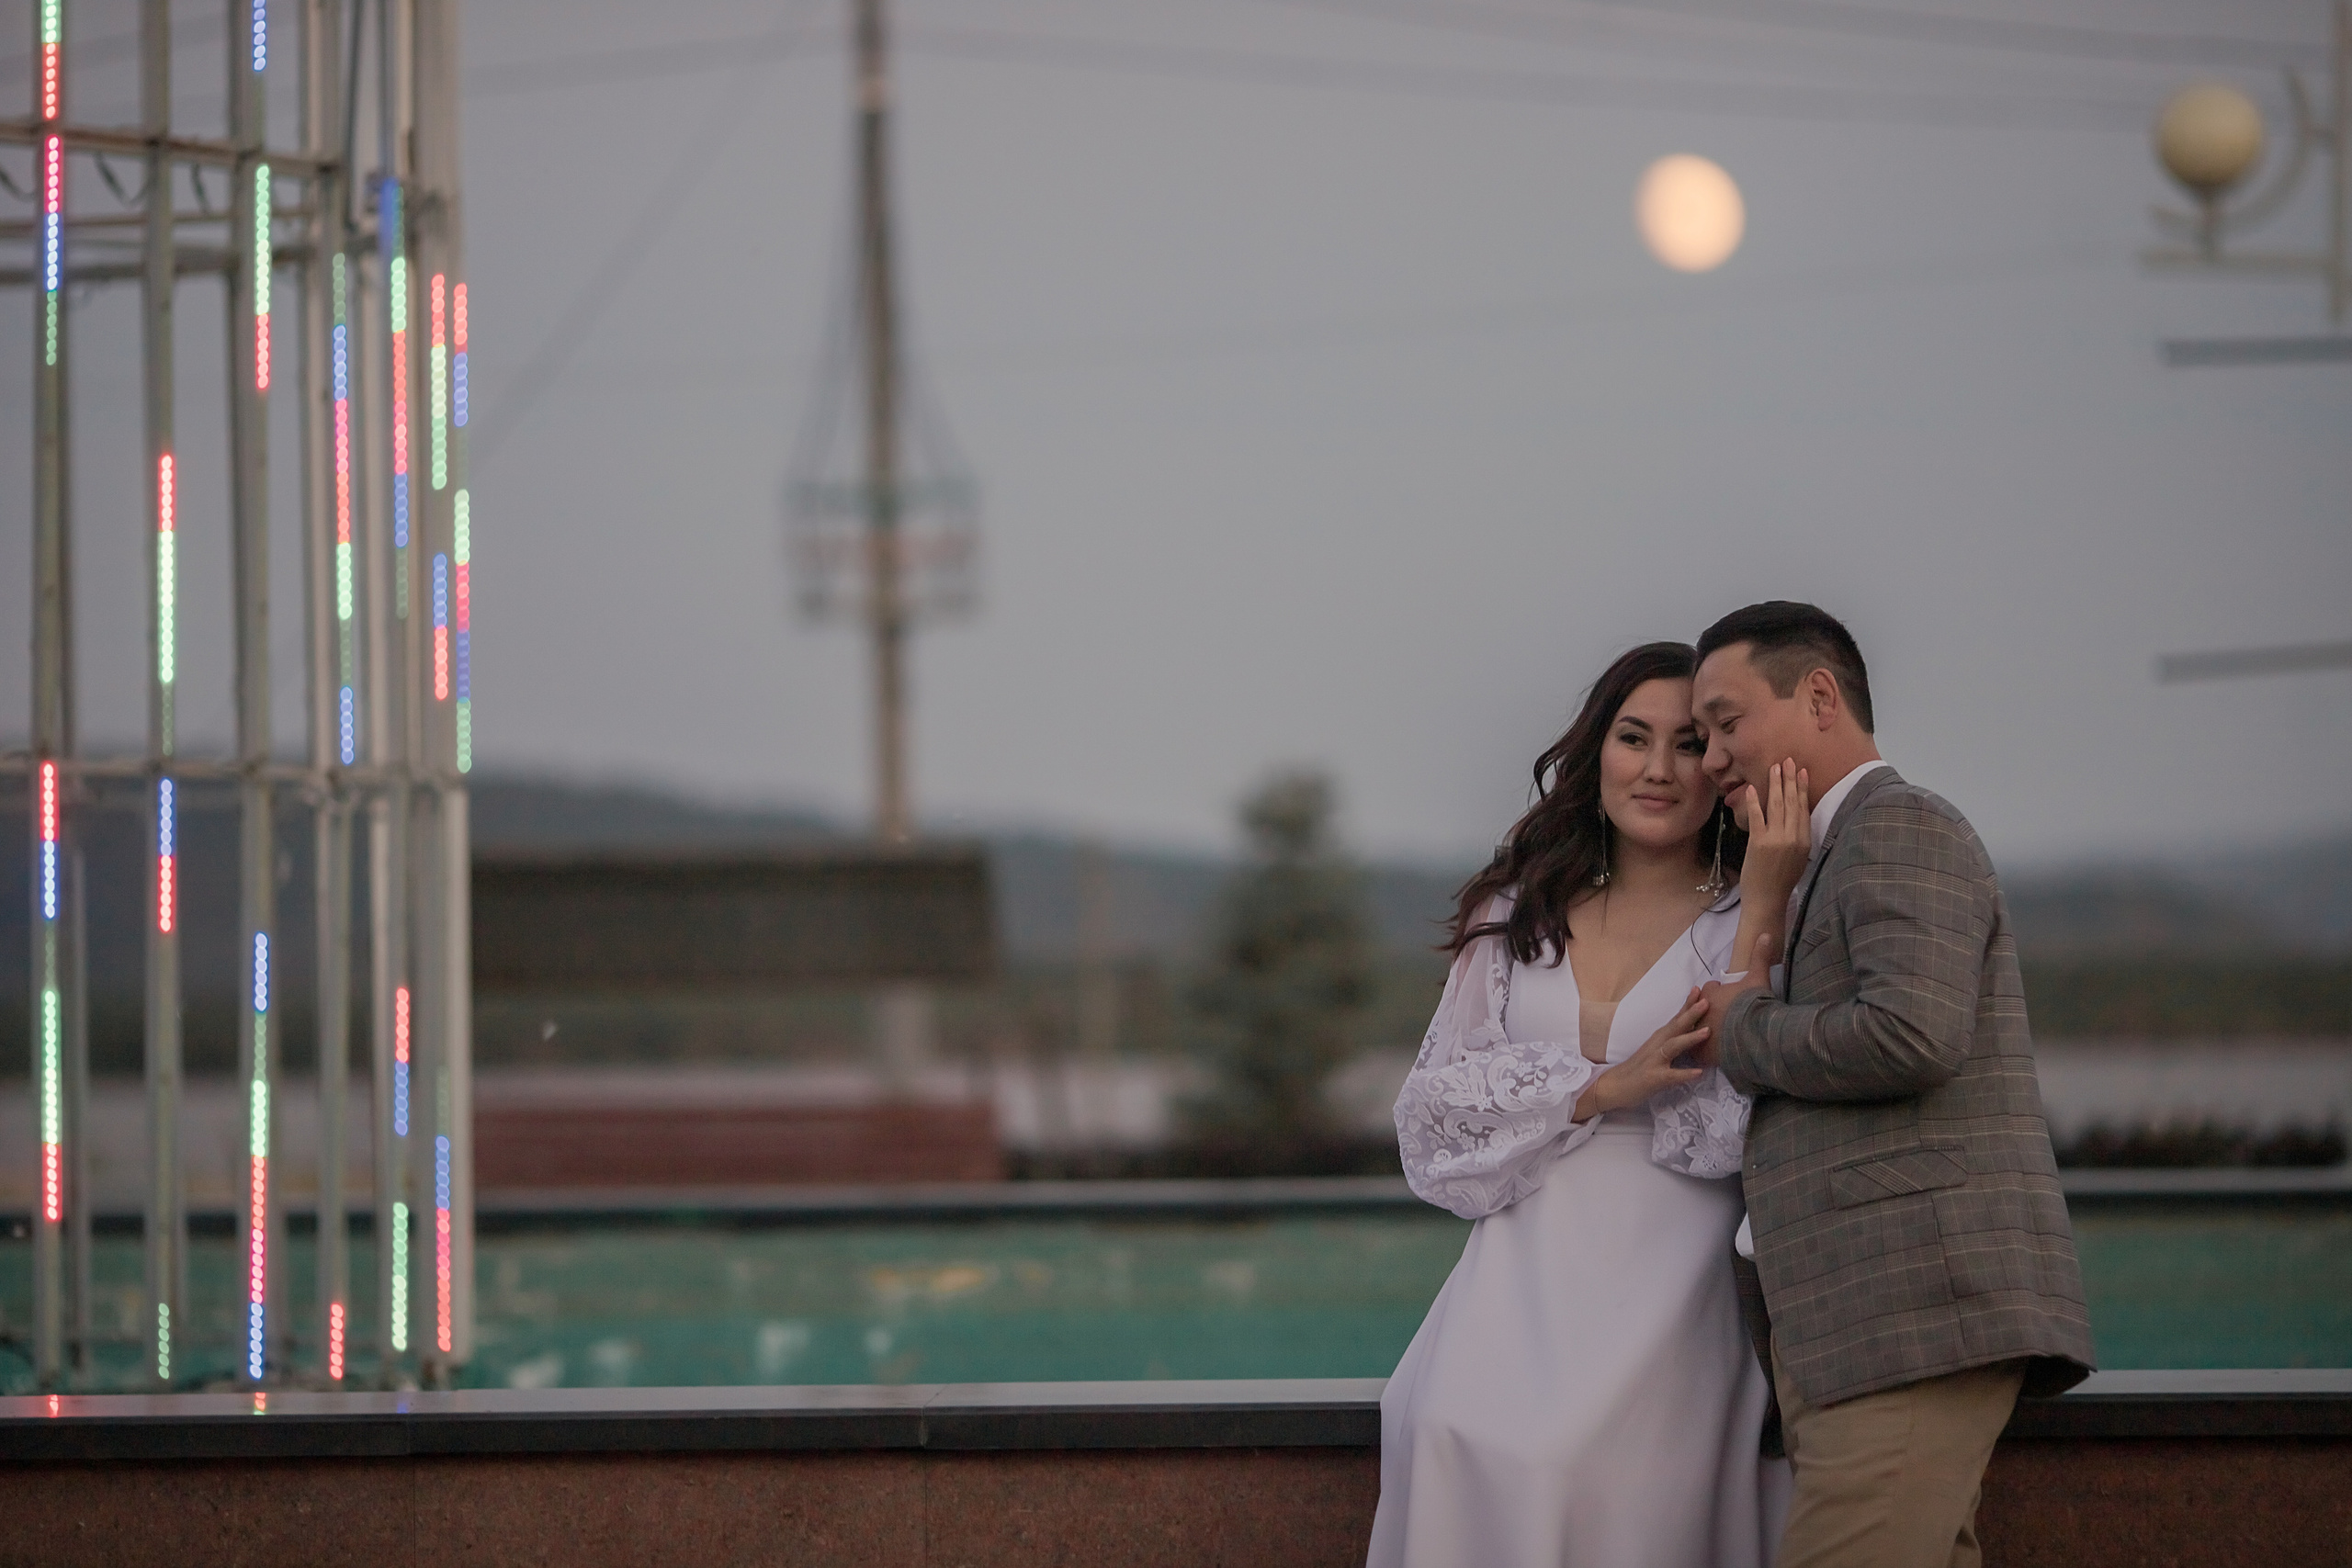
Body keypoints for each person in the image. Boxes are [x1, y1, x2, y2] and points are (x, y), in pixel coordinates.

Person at [1370, 641, 1814, 1568]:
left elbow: (1757, 1111)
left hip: (1681, 1270)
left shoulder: (1755, 915)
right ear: (1594, 753)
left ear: (1721, 766)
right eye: (1631, 737)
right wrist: (1596, 1088)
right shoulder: (1515, 910)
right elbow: (1431, 1117)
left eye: (1688, 743)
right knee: (1450, 1431)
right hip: (1518, 1268)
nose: (1657, 769)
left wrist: (1767, 896)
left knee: (1584, 1469)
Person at [1689, 602, 2096, 1568]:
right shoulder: (1821, 857)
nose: (1709, 759)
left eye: (1725, 722)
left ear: (1819, 695)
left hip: (1912, 1317)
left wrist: (1740, 1030)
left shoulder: (1899, 825)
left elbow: (1911, 1034)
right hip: (1865, 1329)